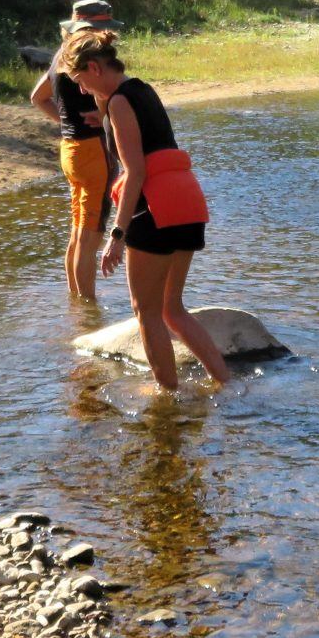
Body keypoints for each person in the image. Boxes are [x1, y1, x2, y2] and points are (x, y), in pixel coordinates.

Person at [55, 27, 230, 392]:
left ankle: (168, 393)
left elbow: (135, 171)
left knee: (145, 312)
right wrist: (103, 113)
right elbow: (147, 138)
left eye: (80, 81)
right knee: (173, 309)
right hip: (188, 202)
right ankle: (225, 382)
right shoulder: (141, 89)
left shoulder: (118, 102)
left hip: (154, 208)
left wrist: (116, 236)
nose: (82, 91)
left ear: (94, 68)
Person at [30, 0, 118, 299]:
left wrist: (67, 122)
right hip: (93, 151)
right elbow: (109, 97)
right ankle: (88, 310)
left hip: (70, 150)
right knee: (89, 235)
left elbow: (37, 97)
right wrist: (100, 118)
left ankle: (75, 303)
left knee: (78, 228)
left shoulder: (60, 56)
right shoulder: (89, 58)